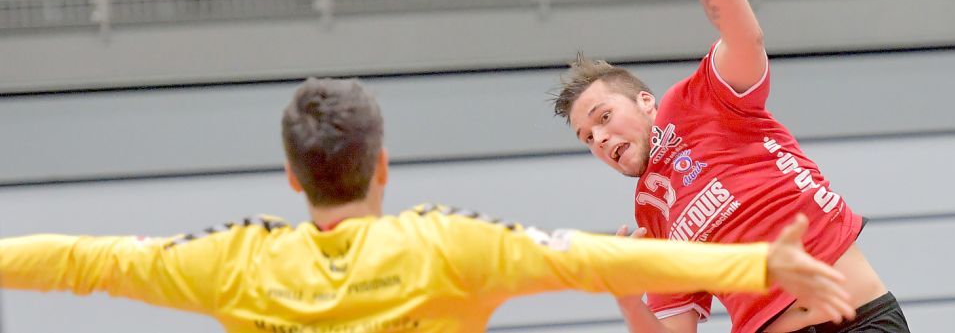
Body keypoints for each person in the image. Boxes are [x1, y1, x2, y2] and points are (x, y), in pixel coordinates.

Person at [0, 78, 854, 332]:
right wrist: (751, 263)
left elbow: (88, 261)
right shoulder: (444, 247)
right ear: (382, 164)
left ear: (293, 179)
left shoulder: (234, 262)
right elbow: (600, 256)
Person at [551, 0, 910, 333]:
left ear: (646, 102)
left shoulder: (699, 100)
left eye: (603, 117)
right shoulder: (652, 215)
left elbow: (746, 38)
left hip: (861, 321)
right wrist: (627, 297)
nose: (600, 139)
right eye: (588, 137)